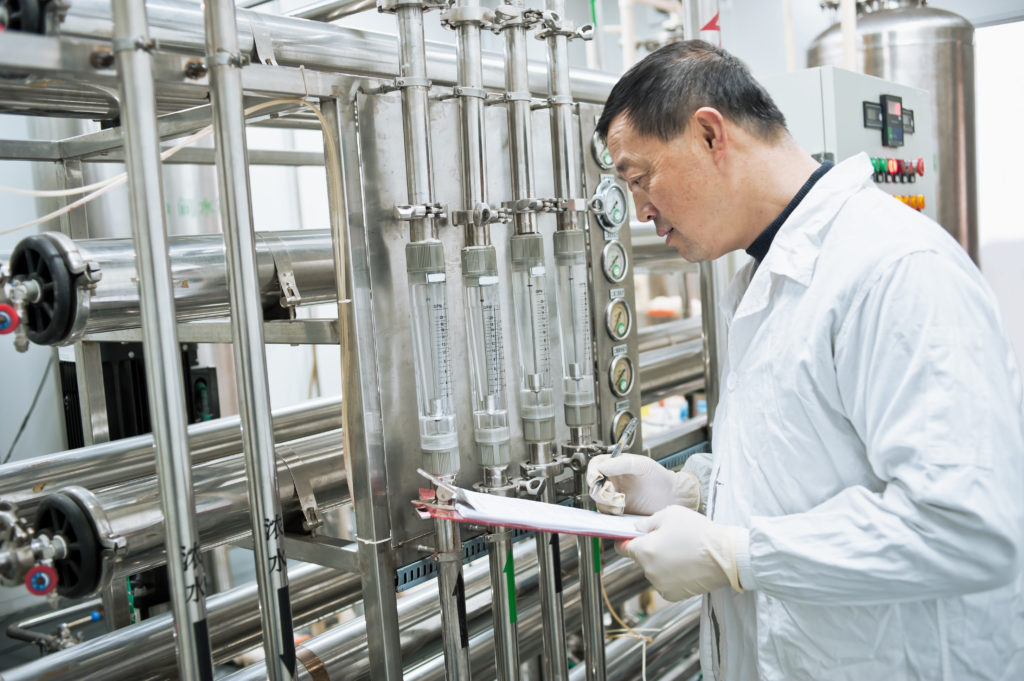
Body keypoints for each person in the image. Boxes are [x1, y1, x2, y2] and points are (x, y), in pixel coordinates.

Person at [586, 40, 1024, 681]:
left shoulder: (893, 269)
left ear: (711, 134)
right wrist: (694, 491)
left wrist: (737, 553)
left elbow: (965, 528)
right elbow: (808, 471)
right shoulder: (766, 276)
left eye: (639, 177)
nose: (641, 209)